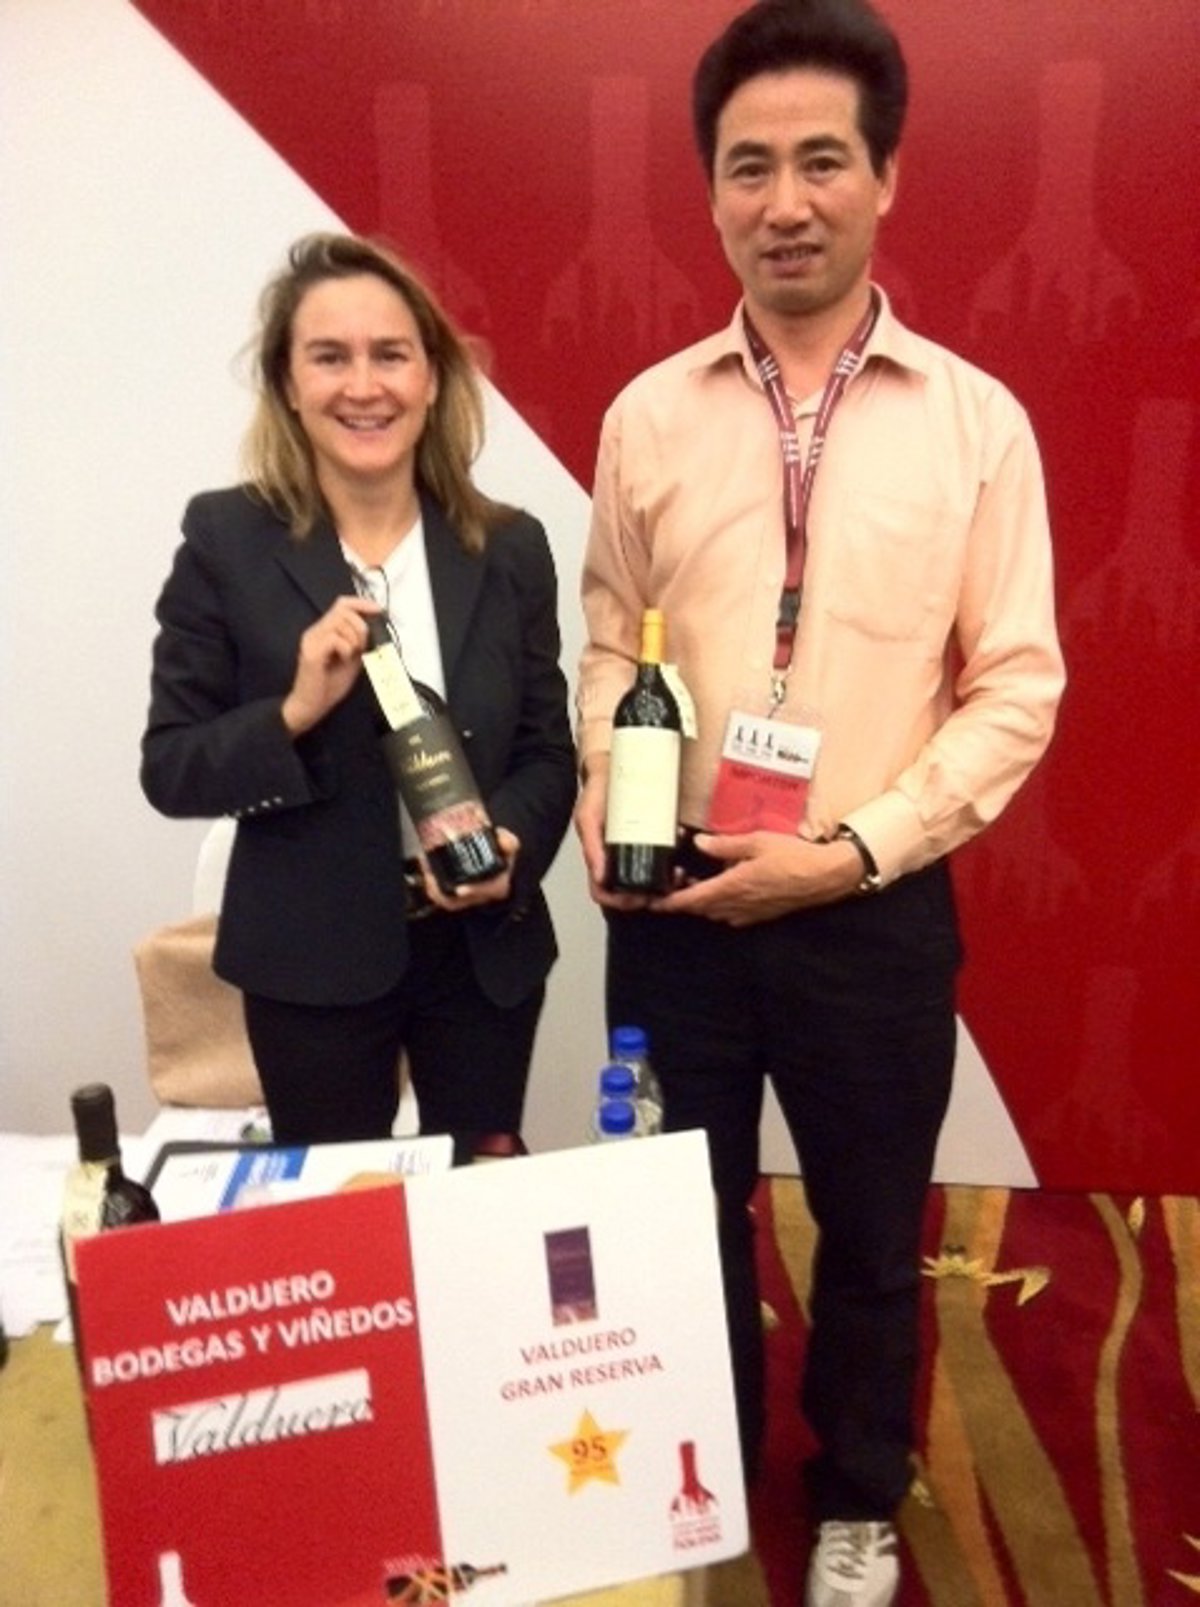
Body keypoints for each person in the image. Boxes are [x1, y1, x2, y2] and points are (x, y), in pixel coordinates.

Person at [574, 3, 1065, 1603]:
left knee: (866, 1227)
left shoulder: (977, 423)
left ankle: (858, 1485)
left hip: (869, 908)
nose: (785, 202)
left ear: (885, 177)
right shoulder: (650, 414)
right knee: (681, 1216)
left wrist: (854, 850)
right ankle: (698, 1469)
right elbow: (607, 637)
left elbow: (1018, 683)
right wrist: (604, 774)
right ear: (712, 189)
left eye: (821, 162)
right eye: (749, 167)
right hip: (680, 906)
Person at [143, 232, 576, 1149]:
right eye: (330, 357)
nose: (364, 386)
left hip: (480, 956)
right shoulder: (226, 540)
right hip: (310, 963)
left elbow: (546, 751)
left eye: (391, 355)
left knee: (478, 1202)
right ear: (288, 382)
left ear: (433, 377)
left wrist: (510, 839)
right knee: (343, 1220)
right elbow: (172, 768)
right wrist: (294, 710)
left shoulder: (508, 546)